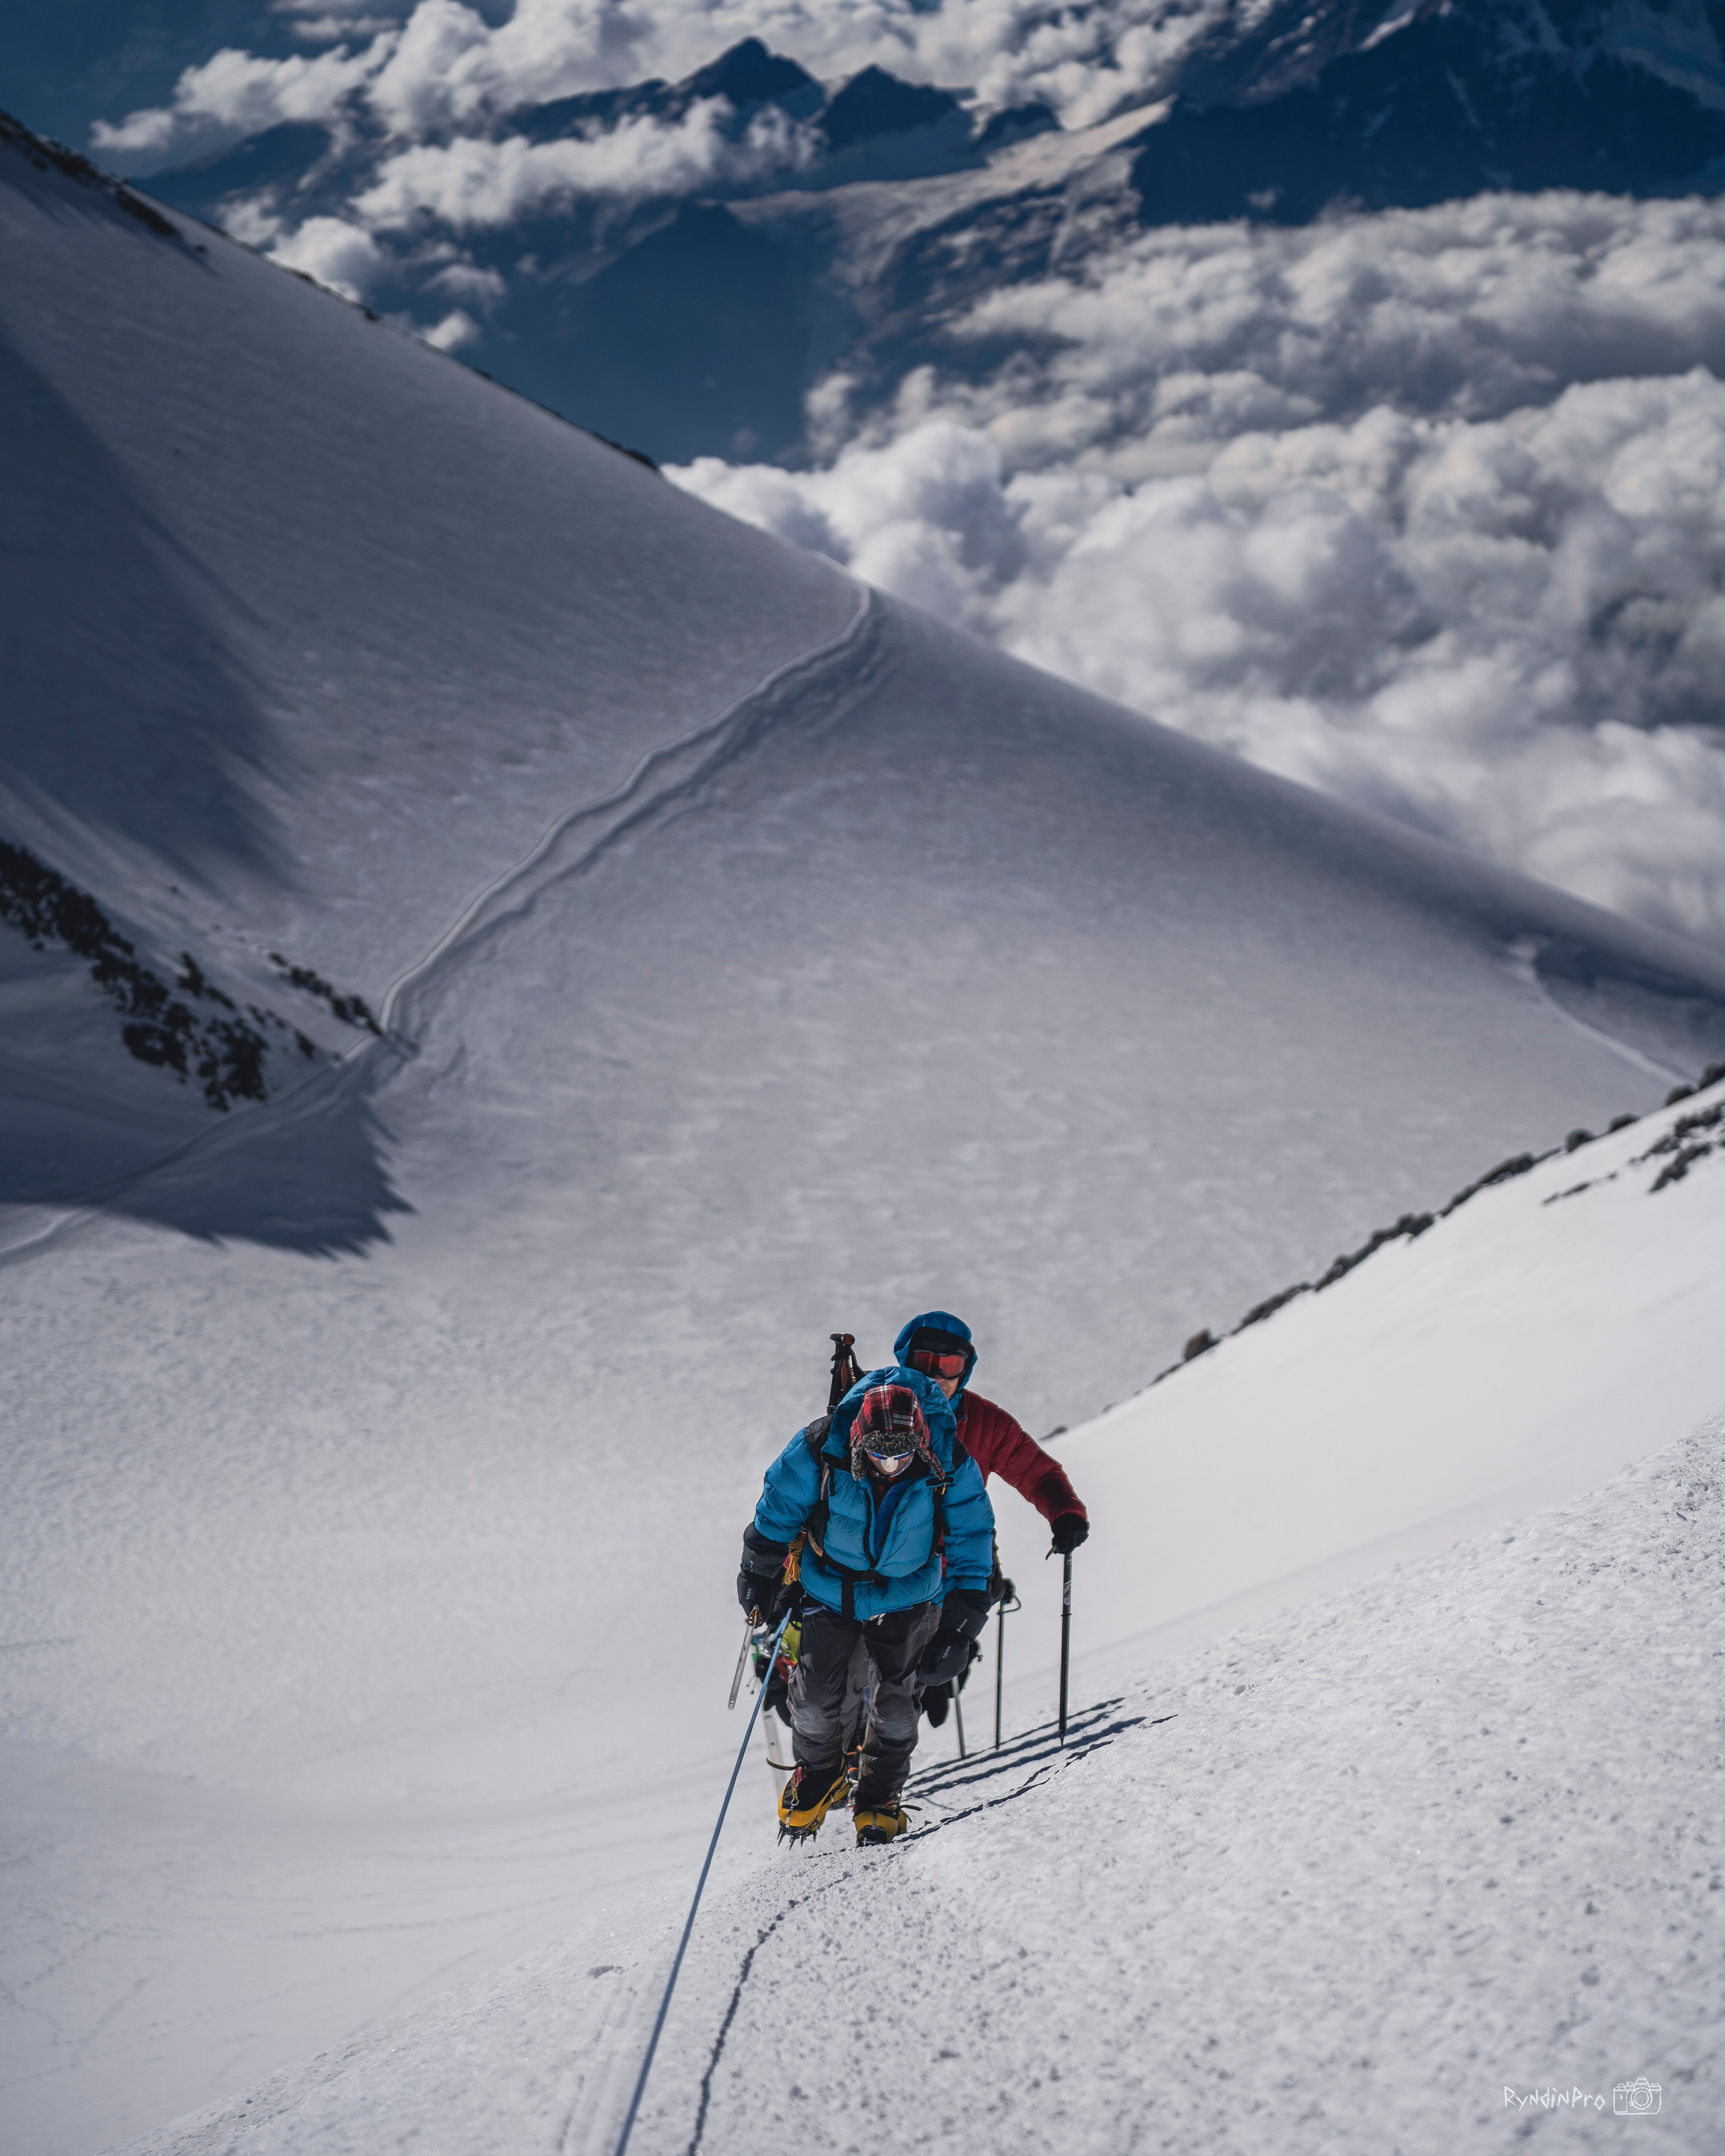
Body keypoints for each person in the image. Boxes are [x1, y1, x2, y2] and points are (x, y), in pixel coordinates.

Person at [736, 1365, 995, 1845]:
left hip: (910, 1595)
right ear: (858, 1439)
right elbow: (778, 1507)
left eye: (902, 1456)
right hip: (832, 1589)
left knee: (897, 1707)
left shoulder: (948, 1461)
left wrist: (961, 1626)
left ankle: (879, 1798)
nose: (890, 1465)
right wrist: (758, 1571)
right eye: (879, 1454)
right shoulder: (820, 1446)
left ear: (919, 1441)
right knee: (812, 1701)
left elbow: (972, 1536)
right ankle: (818, 1774)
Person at [891, 1309, 1090, 1724]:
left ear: (966, 1370)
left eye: (951, 1366)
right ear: (906, 1360)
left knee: (937, 1663)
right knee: (890, 1672)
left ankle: (943, 1678)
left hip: (961, 1559)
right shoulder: (877, 1411)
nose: (938, 1377)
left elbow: (1037, 1471)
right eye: (927, 1363)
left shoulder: (984, 1422)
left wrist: (1064, 1512)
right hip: (892, 1565)